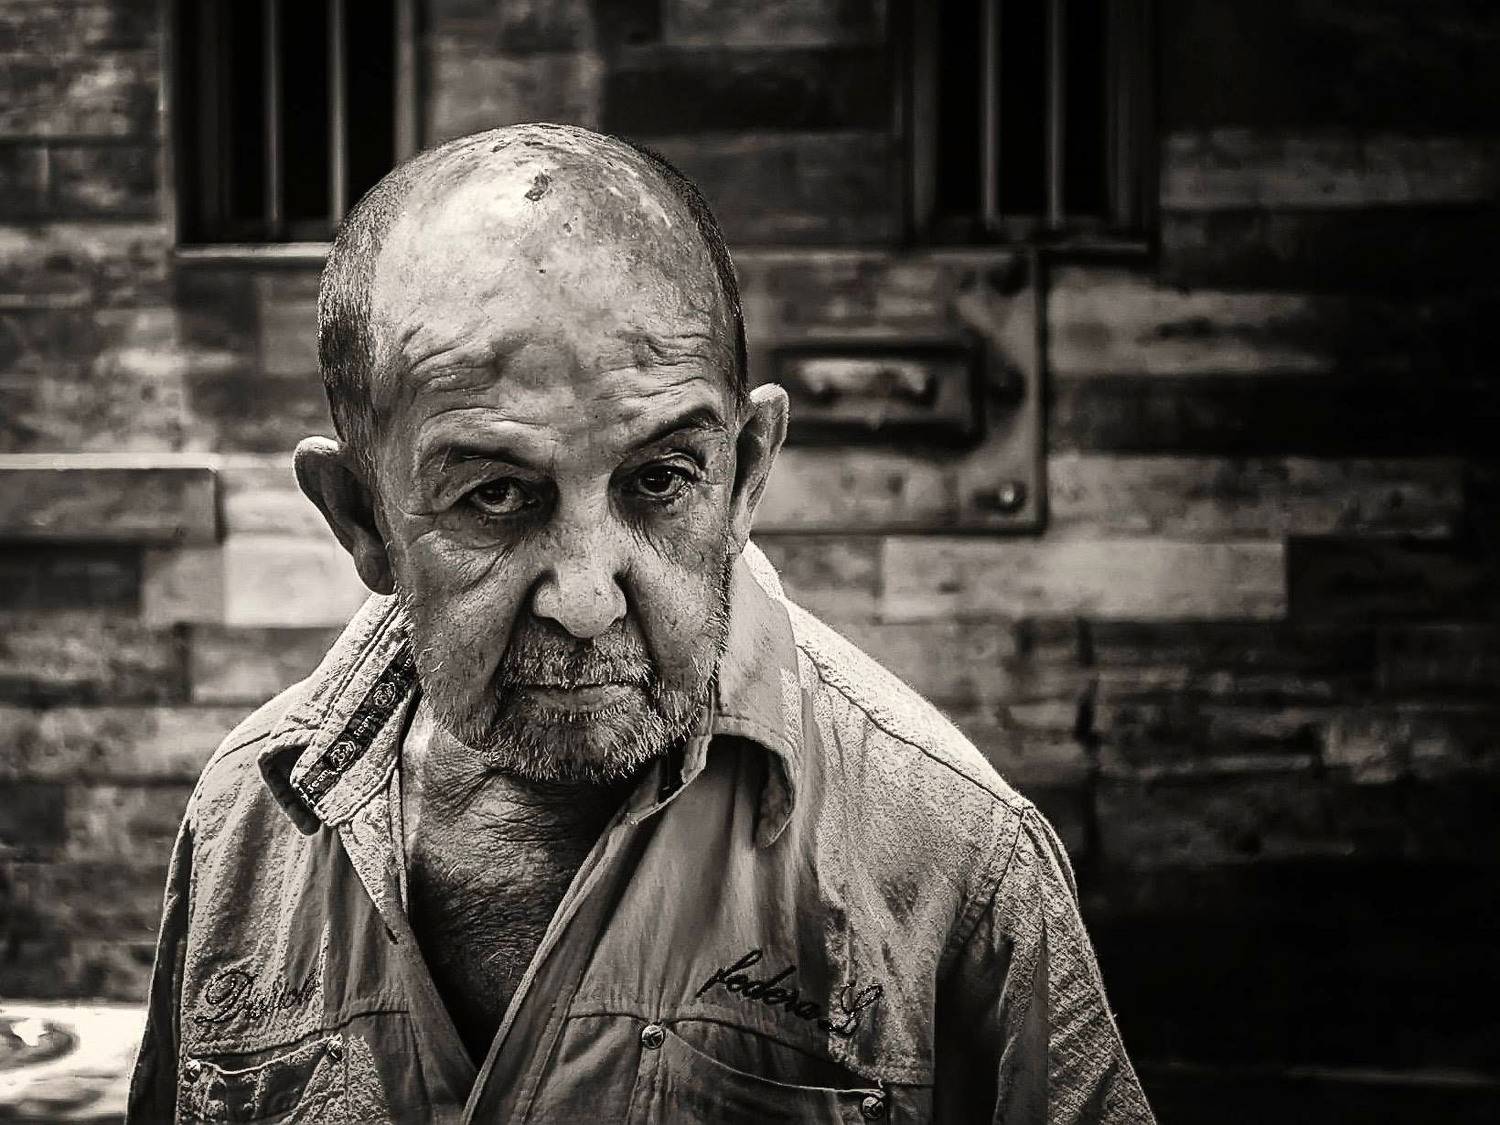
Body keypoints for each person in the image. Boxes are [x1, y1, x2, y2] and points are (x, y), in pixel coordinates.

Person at [128, 123, 1154, 1124]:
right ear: (361, 518)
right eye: (495, 495)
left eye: (660, 480)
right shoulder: (245, 827)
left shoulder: (954, 862)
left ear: (743, 476)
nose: (586, 600)